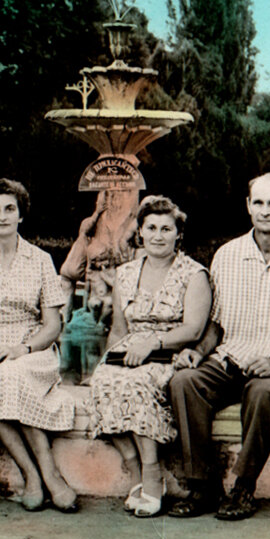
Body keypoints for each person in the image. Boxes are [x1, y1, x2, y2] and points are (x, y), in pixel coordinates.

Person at [168, 172, 270, 521]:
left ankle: (243, 487)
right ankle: (201, 486)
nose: (265, 211)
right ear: (247, 206)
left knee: (261, 392)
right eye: (258, 202)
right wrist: (199, 352)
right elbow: (216, 323)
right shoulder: (227, 255)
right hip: (231, 359)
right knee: (184, 382)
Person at [0, 178, 79, 513]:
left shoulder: (40, 259)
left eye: (10, 209)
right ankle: (32, 475)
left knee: (16, 374)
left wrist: (22, 349)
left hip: (30, 345)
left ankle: (49, 474)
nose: (2, 216)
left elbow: (53, 325)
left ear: (21, 215)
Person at [88, 196, 211, 517]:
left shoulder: (193, 273)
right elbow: (119, 329)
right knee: (102, 383)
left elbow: (194, 329)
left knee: (138, 383)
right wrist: (105, 363)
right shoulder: (125, 273)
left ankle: (153, 475)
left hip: (169, 352)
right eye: (151, 228)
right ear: (140, 232)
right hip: (129, 351)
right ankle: (136, 470)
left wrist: (152, 344)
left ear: (178, 234)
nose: (158, 236)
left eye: (166, 229)